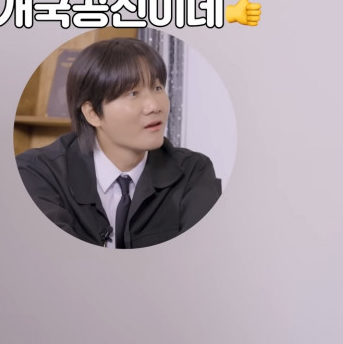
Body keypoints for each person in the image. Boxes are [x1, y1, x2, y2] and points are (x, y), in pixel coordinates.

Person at [17, 37, 221, 249]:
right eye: (133, 93)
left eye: (158, 88)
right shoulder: (37, 173)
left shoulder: (193, 173)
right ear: (93, 113)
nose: (154, 106)